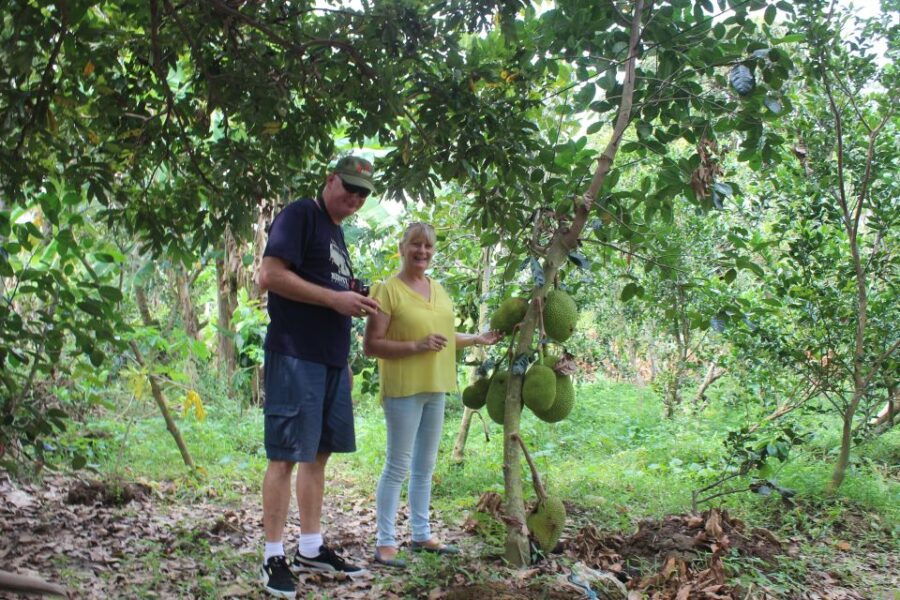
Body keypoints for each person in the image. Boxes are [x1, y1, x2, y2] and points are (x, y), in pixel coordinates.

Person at [256, 156, 381, 598]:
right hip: (295, 356)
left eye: (363, 192)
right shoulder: (301, 215)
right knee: (286, 455)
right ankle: (273, 555)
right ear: (330, 180)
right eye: (349, 187)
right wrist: (333, 300)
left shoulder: (336, 234)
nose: (355, 197)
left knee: (319, 454)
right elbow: (269, 275)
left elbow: (334, 297)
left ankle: (310, 547)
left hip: (328, 361)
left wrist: (342, 359)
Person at [363, 222, 502, 568]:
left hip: (437, 386)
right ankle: (385, 542)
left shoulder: (438, 290)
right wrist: (416, 345)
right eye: (415, 245)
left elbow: (442, 335)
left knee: (424, 467)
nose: (422, 252)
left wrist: (476, 339)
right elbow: (371, 346)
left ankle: (422, 534)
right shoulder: (387, 291)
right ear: (402, 247)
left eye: (427, 246)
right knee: (398, 464)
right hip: (403, 388)